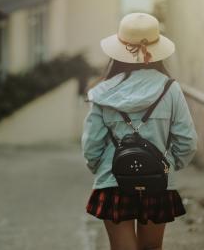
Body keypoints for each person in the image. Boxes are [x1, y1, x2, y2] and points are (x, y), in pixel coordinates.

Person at [81, 13, 197, 250]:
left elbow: (91, 146)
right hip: (158, 181)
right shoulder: (170, 89)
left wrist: (104, 169)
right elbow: (187, 142)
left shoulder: (102, 92)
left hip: (113, 182)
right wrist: (168, 165)